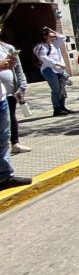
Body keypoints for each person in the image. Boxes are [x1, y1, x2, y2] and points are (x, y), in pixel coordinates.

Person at [0, 49, 32, 190]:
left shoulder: (4, 47)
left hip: (2, 97)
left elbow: (17, 69)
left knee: (3, 138)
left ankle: (4, 177)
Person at [0, 34, 30, 154]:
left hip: (10, 90)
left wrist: (22, 87)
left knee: (11, 116)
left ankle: (15, 143)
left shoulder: (8, 48)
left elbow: (18, 69)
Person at [34, 27, 71, 116]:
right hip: (48, 69)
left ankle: (62, 107)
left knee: (62, 89)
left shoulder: (55, 44)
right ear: (44, 37)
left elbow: (63, 37)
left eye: (54, 37)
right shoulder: (40, 46)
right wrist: (57, 64)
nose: (54, 38)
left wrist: (51, 30)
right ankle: (57, 109)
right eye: (51, 37)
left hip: (59, 70)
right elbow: (43, 58)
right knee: (56, 89)